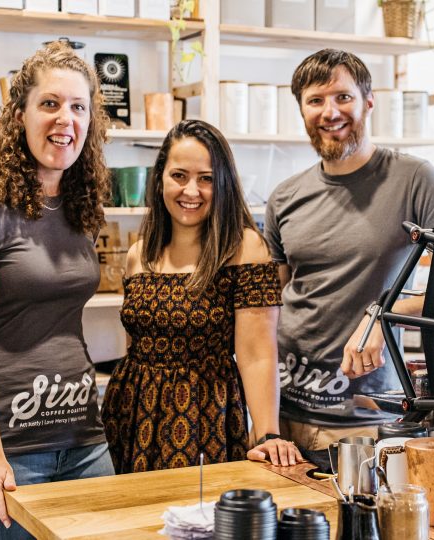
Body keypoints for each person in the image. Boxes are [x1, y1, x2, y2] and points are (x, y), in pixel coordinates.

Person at [0, 42, 115, 539]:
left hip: (82, 442)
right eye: (50, 104)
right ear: (20, 115)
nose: (65, 119)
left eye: (79, 107)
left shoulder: (80, 209)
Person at [264, 49, 434, 451]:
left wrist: (383, 315)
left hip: (365, 418)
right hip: (283, 413)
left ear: (369, 102)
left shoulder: (415, 181)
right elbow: (270, 305)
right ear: (301, 110)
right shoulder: (285, 197)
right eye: (315, 100)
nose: (329, 112)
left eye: (343, 97)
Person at [101, 119, 301, 473]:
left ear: (222, 183)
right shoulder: (139, 254)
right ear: (160, 177)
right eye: (179, 175)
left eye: (205, 178)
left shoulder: (245, 249)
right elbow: (136, 344)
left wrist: (267, 432)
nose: (191, 190)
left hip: (205, 415)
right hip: (131, 413)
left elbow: (257, 354)